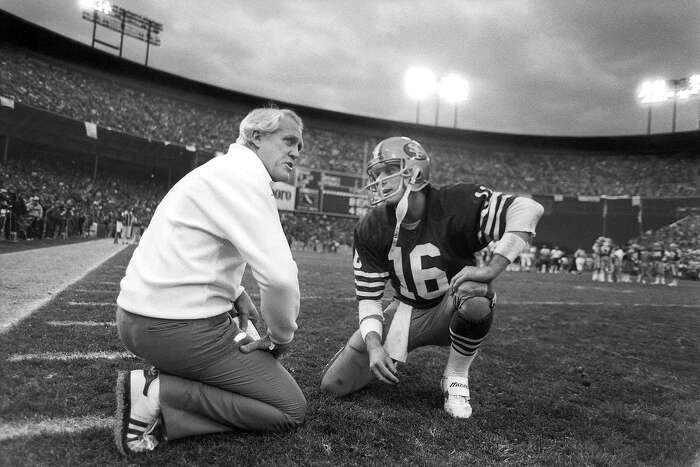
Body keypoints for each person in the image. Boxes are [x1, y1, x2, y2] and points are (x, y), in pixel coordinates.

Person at [114, 107, 306, 456]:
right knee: (290, 409)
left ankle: (169, 379)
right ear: (256, 137)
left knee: (244, 351)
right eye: (289, 140)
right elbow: (280, 278)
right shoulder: (245, 179)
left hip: (139, 317)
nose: (296, 151)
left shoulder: (220, 170)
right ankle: (157, 393)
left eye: (299, 146)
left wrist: (236, 290)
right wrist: (280, 337)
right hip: (172, 328)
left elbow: (195, 247)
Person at [320, 136, 543, 419]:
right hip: (405, 312)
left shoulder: (455, 202)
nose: (381, 180)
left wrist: (492, 269)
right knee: (333, 385)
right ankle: (393, 351)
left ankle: (456, 377)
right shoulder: (372, 225)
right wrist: (374, 346)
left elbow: (528, 209)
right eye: (377, 173)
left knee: (476, 291)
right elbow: (368, 299)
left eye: (389, 170)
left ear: (415, 169)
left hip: (451, 304)